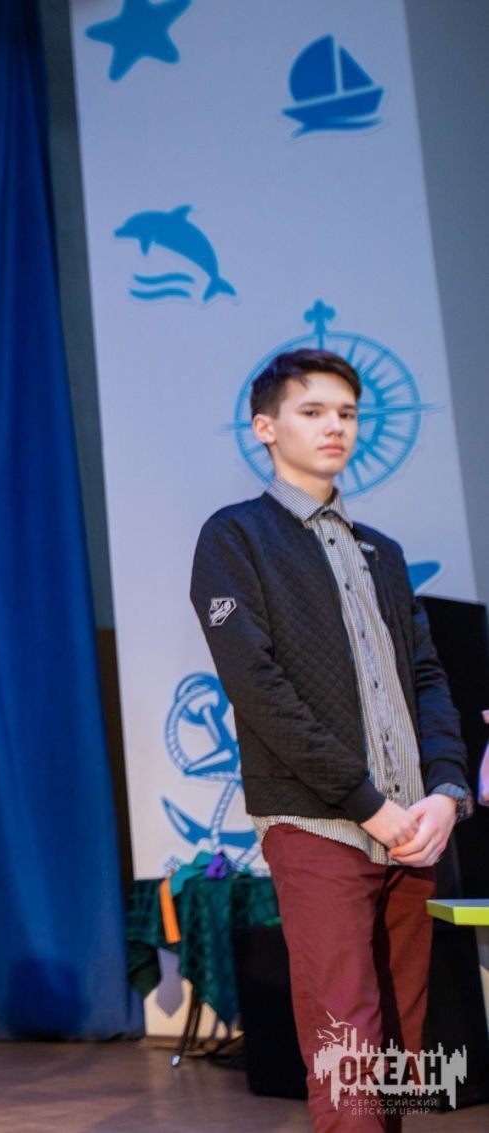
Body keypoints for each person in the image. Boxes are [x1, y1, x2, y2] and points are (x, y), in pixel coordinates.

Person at [190, 348, 473, 1131]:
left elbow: (427, 678)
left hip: (412, 828)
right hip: (318, 822)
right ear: (266, 427)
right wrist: (363, 800)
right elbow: (258, 689)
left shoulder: (382, 550)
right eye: (312, 411)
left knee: (402, 1041)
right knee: (345, 1034)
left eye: (347, 413)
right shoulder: (235, 537)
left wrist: (448, 791)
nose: (335, 426)